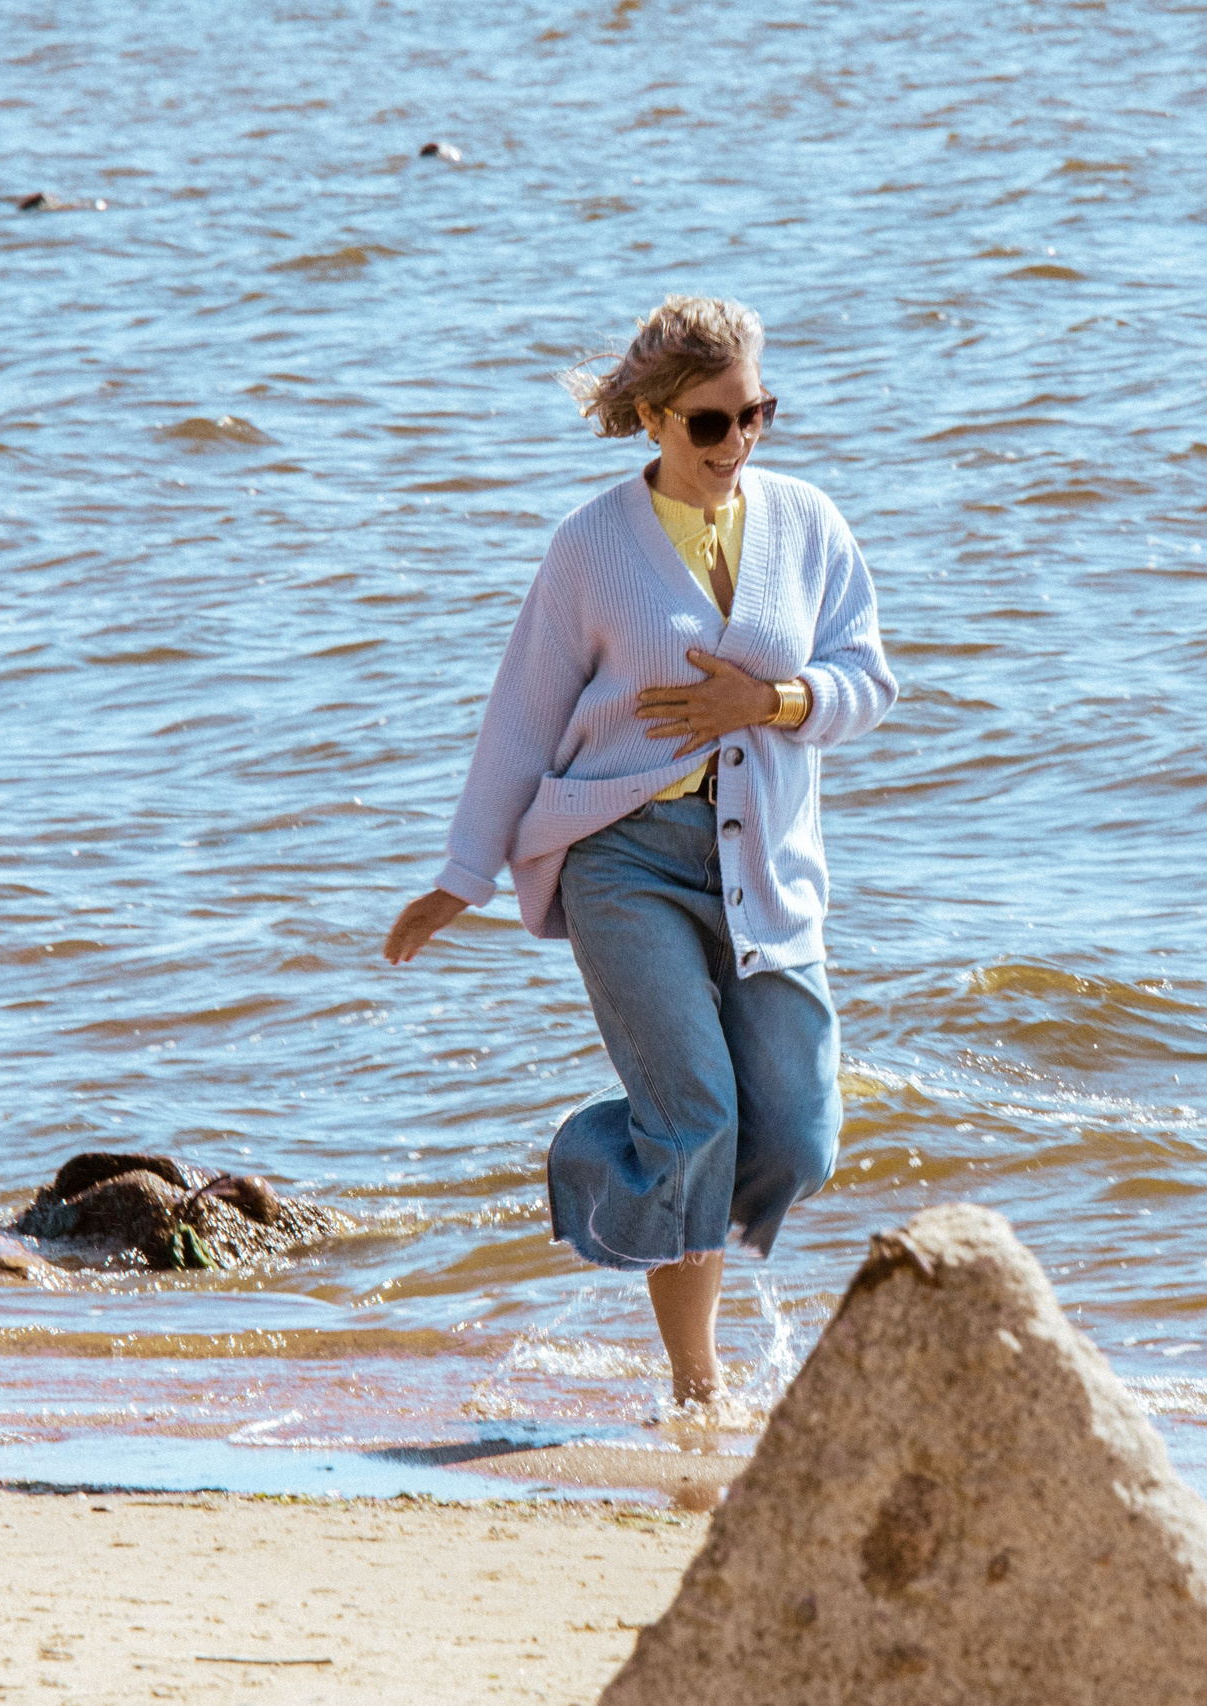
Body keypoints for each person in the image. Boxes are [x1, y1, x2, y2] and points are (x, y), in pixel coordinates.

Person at [382, 295, 896, 1407]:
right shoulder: (591, 547)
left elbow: (870, 679)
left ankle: (599, 1151)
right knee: (698, 1116)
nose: (738, 443)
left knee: (795, 1140)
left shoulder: (806, 523)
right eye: (711, 424)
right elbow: (521, 717)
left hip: (762, 860)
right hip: (621, 855)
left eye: (756, 414)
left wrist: (777, 697)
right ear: (655, 419)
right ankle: (697, 1382)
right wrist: (461, 876)